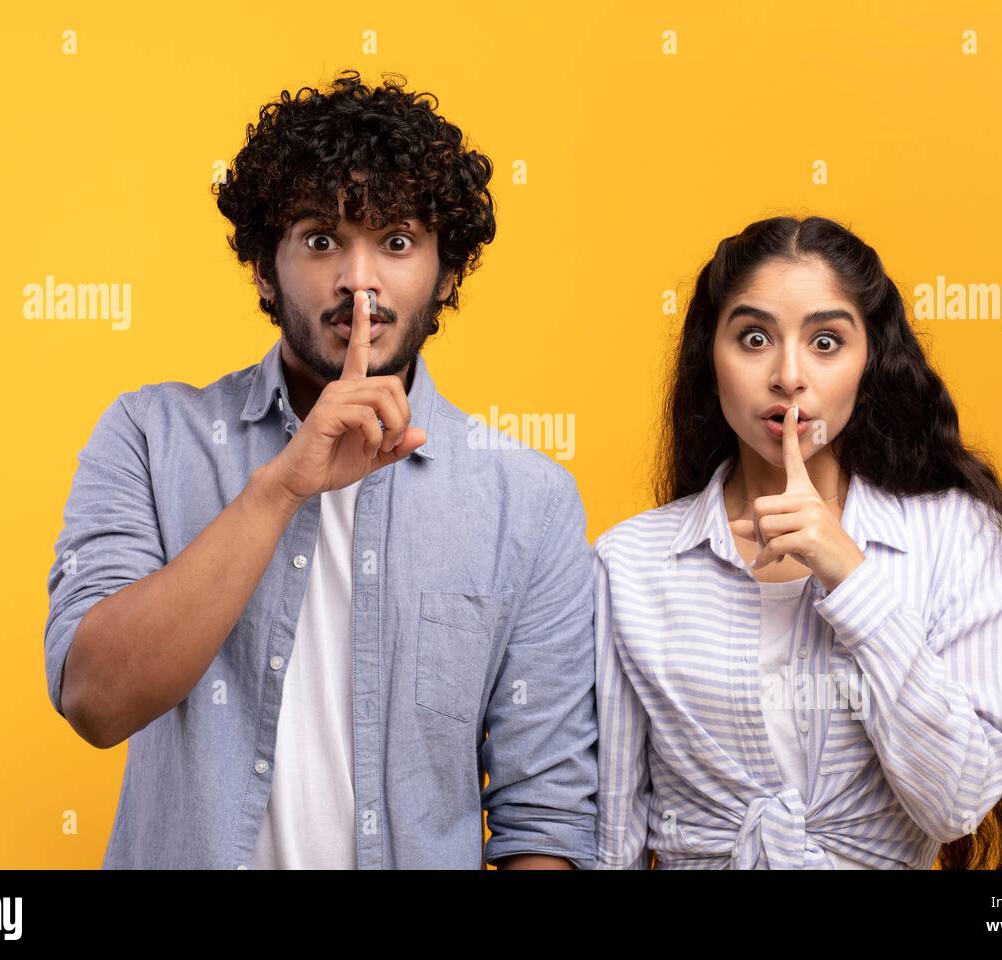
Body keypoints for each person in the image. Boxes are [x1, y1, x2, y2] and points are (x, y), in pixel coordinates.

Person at [43, 70, 597, 870]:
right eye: (321, 239)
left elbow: (544, 818)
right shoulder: (150, 435)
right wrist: (282, 486)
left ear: (447, 276)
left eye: (397, 242)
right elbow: (95, 700)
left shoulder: (529, 501)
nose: (359, 282)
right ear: (264, 270)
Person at [593, 216, 1002, 869]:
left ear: (871, 360)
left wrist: (851, 577)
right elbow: (615, 831)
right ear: (709, 357)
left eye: (826, 342)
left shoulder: (959, 536)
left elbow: (956, 802)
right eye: (754, 338)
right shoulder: (631, 563)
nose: (788, 375)